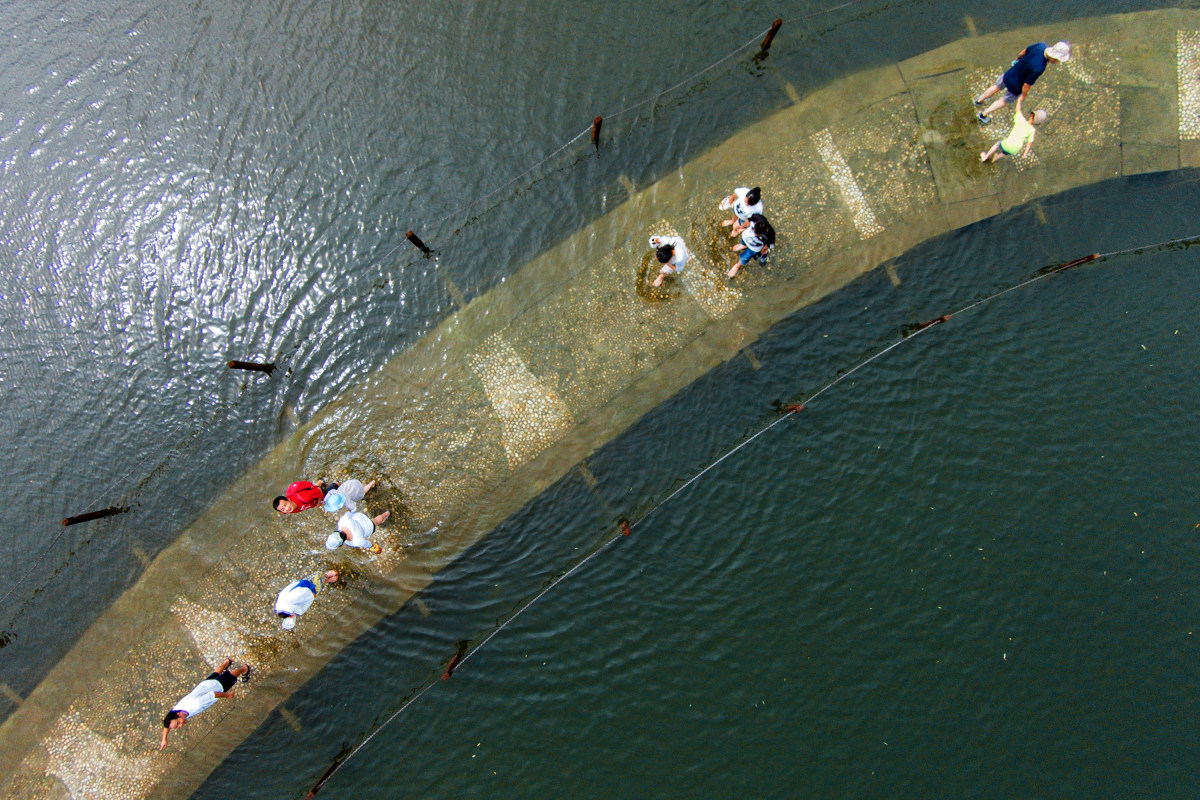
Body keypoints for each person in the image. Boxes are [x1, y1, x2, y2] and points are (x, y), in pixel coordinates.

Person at [159, 658, 250, 750]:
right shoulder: (176, 710)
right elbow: (167, 725)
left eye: (178, 723)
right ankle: (226, 663)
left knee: (232, 676)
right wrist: (164, 739)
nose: (180, 725)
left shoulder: (196, 704)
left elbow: (213, 694)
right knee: (216, 673)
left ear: (178, 714)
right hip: (205, 685)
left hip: (217, 687)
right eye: (177, 726)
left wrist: (227, 695)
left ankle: (244, 669)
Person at [975, 41, 1070, 124]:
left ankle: (979, 100)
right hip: (1016, 86)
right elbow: (1026, 84)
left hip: (1010, 73)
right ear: (1053, 57)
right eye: (1057, 60)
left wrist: (1018, 58)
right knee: (1003, 101)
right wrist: (1024, 95)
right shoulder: (1039, 68)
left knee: (996, 87)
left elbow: (1024, 51)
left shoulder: (1040, 46)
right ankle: (983, 114)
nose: (1057, 62)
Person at [980, 95, 1047, 163]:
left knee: (997, 144)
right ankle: (996, 158)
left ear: (1032, 115)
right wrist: (1025, 153)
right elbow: (1030, 142)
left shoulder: (1020, 120)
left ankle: (986, 157)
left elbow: (1018, 110)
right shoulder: (1032, 130)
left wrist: (1019, 100)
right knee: (1005, 153)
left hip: (1008, 144)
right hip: (1015, 149)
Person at [275, 570, 340, 630]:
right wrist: (295, 583)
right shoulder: (280, 605)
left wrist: (312, 595)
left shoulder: (297, 610)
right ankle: (328, 575)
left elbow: (304, 604)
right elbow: (285, 591)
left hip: (308, 591)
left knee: (319, 584)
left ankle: (328, 579)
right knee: (317, 577)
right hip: (303, 586)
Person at [728, 213, 775, 278]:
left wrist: (763, 250)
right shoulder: (756, 217)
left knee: (747, 256)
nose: (755, 235)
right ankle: (743, 245)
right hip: (746, 237)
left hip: (755, 247)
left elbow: (768, 245)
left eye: (758, 235)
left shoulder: (770, 235)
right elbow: (748, 220)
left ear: (766, 230)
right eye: (754, 231)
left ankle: (737, 265)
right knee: (743, 241)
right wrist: (742, 228)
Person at [325, 509, 390, 554]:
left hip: (368, 527)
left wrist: (373, 547)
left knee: (376, 521)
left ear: (341, 544)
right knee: (374, 520)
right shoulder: (342, 522)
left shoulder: (356, 542)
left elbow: (367, 544)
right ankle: (386, 514)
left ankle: (385, 514)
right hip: (360, 517)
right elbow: (348, 513)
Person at [272, 478, 337, 514]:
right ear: (282, 511)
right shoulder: (289, 509)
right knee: (313, 491)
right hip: (310, 496)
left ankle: (336, 483)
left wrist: (319, 501)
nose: (287, 508)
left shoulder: (304, 497)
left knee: (332, 494)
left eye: (285, 505)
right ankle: (320, 481)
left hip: (315, 494)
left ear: (288, 499)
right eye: (283, 509)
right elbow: (284, 509)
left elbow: (318, 490)